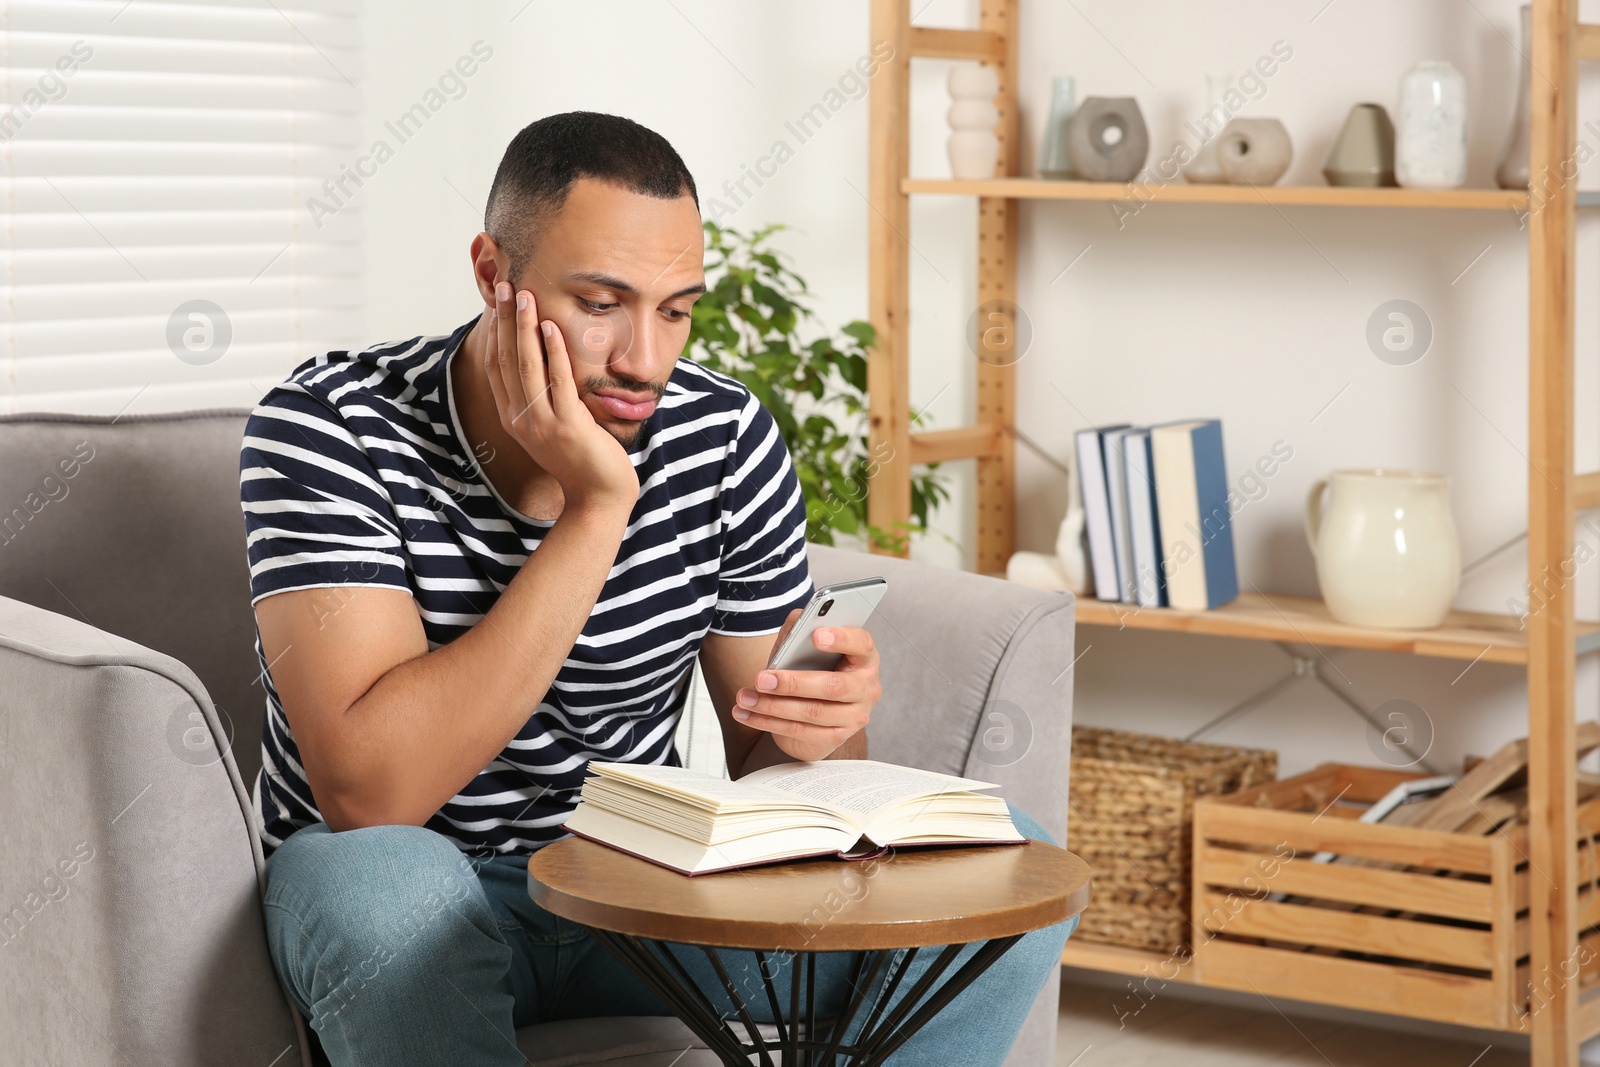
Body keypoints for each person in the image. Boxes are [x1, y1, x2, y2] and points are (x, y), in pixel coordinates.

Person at [242, 110, 1072, 1067]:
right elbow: (371, 794)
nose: (645, 359)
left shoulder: (723, 435)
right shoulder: (329, 428)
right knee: (386, 887)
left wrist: (821, 720)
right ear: (491, 275)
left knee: (1004, 858)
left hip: (631, 890)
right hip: (397, 892)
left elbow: (773, 764)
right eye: (602, 303)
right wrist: (597, 508)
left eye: (676, 309)